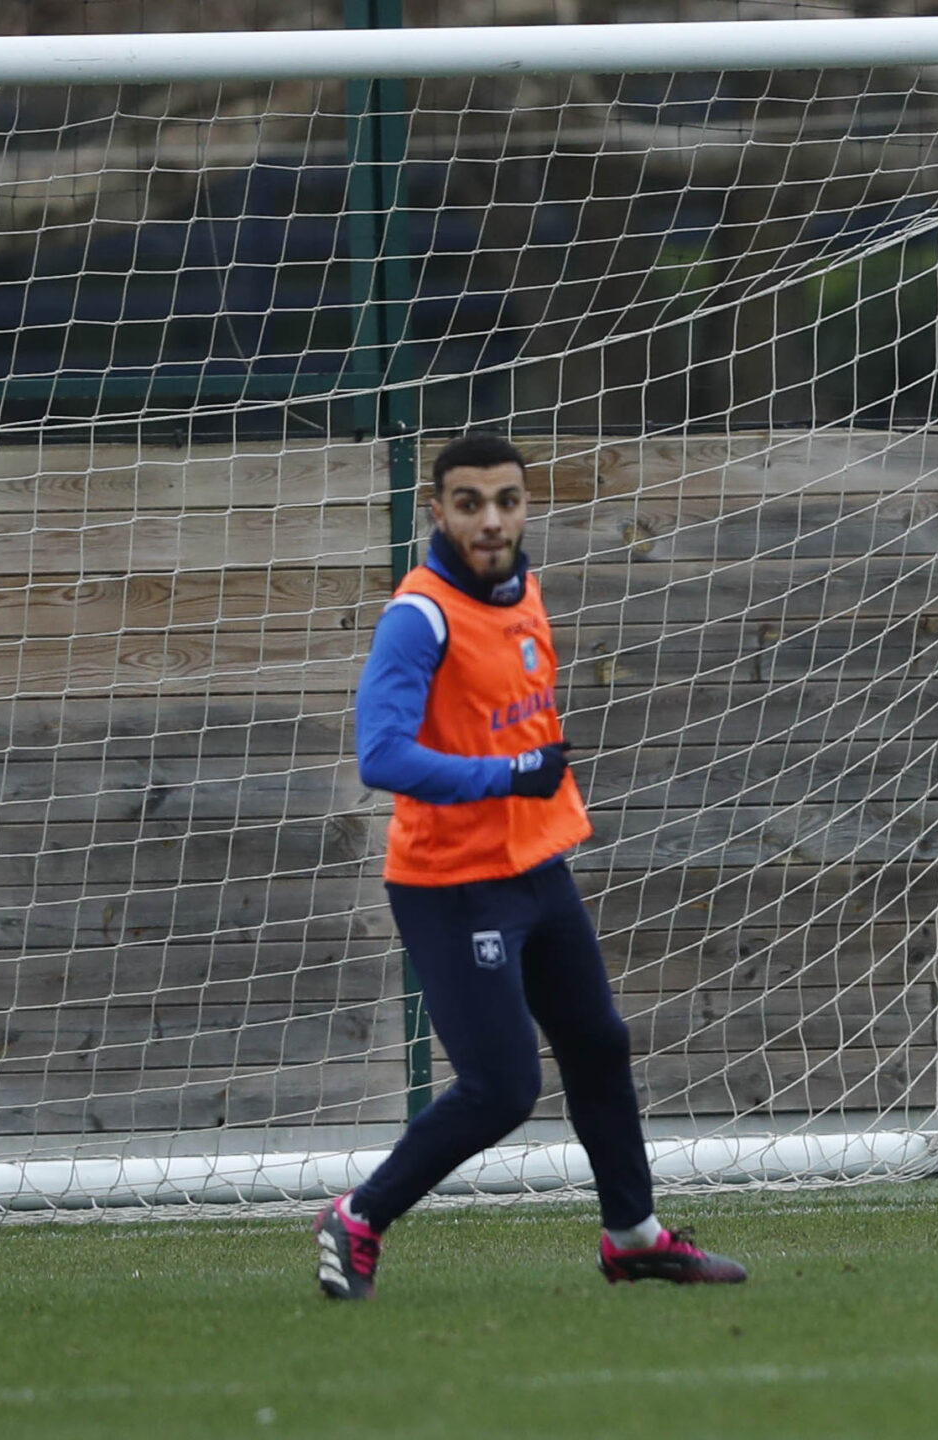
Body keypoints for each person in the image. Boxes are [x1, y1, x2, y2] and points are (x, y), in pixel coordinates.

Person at [315, 432, 745, 1298]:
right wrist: (505, 775)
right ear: (437, 512)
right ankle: (358, 1217)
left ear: (524, 507)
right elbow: (382, 756)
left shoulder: (524, 592)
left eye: (507, 500)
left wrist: (530, 789)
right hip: (451, 885)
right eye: (469, 503)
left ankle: (632, 1234)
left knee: (598, 1042)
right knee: (503, 1087)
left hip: (537, 869)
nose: (491, 519)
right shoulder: (420, 615)